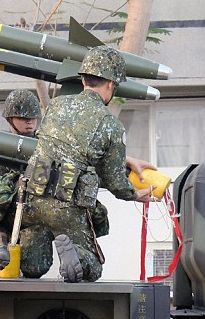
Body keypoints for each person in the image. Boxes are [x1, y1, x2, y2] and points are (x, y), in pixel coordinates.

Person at [20, 45, 158, 283]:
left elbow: (66, 147)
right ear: (111, 84)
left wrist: (127, 161)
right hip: (67, 207)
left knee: (34, 267)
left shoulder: (56, 106)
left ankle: (16, 253)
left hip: (32, 198)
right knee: (92, 269)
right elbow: (115, 181)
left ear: (83, 79)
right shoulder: (110, 125)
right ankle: (77, 256)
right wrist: (136, 194)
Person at [0, 89, 46, 280]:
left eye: (33, 117)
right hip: (6, 211)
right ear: (10, 119)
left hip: (35, 215)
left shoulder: (46, 144)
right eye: (22, 117)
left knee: (35, 268)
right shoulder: (2, 145)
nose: (29, 121)